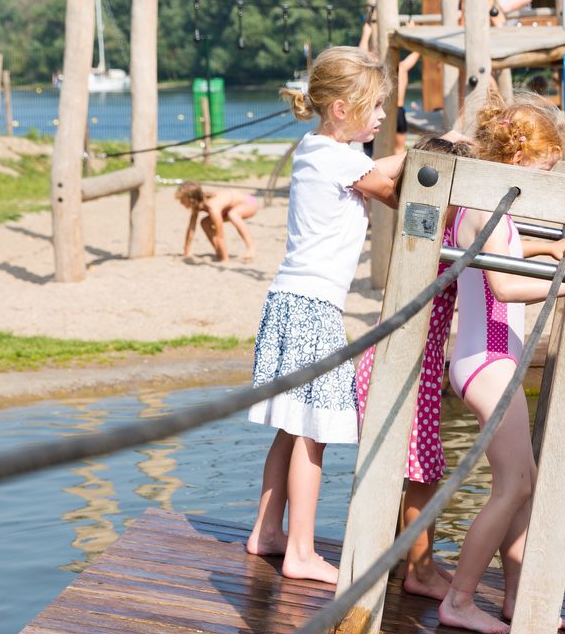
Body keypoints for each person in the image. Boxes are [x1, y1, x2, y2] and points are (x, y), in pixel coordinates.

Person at [245, 47, 405, 582]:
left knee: (290, 429)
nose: (382, 117)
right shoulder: (344, 161)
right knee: (312, 434)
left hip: (286, 300)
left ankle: (268, 532)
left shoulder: (313, 147)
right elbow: (394, 193)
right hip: (314, 308)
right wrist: (431, 158)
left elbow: (372, 168)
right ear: (341, 109)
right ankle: (302, 553)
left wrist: (409, 155)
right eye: (375, 106)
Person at [435, 89, 565, 634]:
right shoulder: (484, 209)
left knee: (525, 479)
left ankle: (518, 600)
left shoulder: (493, 206)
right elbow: (503, 286)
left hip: (494, 357)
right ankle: (460, 599)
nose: (544, 180)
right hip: (486, 358)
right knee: (513, 483)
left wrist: (545, 253)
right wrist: (561, 286)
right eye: (543, 169)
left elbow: (507, 258)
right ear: (517, 161)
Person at [351, 134, 478, 603]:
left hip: (412, 363)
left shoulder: (443, 225)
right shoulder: (422, 219)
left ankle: (415, 560)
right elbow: (380, 179)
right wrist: (420, 157)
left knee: (416, 468)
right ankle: (418, 571)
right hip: (399, 363)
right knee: (420, 469)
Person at [175, 181, 258, 262]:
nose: (180, 202)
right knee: (204, 222)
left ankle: (251, 248)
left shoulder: (212, 206)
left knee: (233, 214)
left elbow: (220, 234)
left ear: (191, 199)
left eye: (182, 200)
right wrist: (186, 250)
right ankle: (219, 252)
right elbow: (191, 228)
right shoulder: (197, 205)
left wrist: (225, 259)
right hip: (233, 205)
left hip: (251, 200)